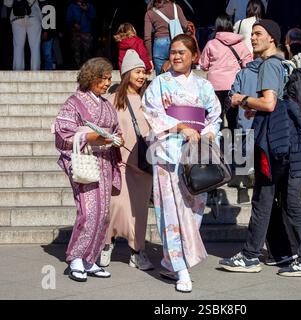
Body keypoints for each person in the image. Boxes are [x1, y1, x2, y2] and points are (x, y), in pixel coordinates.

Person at [219, 19, 301, 278]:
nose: (252, 38)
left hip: (274, 144)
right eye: (252, 34)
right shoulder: (283, 65)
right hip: (290, 142)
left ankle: (251, 255)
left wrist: (241, 99)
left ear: (272, 39)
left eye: (258, 34)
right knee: (288, 201)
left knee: (264, 199)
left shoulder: (269, 65)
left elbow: (268, 103)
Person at [142, 34, 221, 292]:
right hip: (168, 152)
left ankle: (173, 259)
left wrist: (209, 131)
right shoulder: (160, 83)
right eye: (173, 52)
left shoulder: (204, 86)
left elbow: (215, 114)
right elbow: (150, 112)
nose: (176, 56)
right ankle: (181, 269)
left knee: (194, 208)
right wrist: (179, 125)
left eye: (182, 52)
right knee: (170, 212)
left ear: (194, 56)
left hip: (196, 154)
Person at [54, 57, 124, 282]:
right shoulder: (74, 102)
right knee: (89, 211)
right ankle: (75, 257)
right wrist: (90, 136)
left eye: (109, 79)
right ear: (90, 78)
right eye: (103, 78)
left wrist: (117, 139)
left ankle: (89, 259)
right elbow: (63, 132)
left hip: (104, 162)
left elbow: (116, 129)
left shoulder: (106, 105)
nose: (106, 83)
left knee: (103, 214)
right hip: (85, 159)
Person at [99, 50, 154, 271]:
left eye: (143, 72)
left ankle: (137, 251)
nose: (141, 76)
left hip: (144, 163)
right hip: (119, 162)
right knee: (116, 207)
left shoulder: (150, 97)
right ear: (126, 74)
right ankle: (106, 244)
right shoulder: (113, 99)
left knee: (138, 211)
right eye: (137, 71)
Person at [200, 14, 252, 133]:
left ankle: (215, 144)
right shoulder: (240, 43)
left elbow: (203, 65)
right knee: (233, 117)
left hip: (214, 86)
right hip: (233, 86)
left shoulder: (211, 44)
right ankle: (234, 146)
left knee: (215, 115)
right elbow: (248, 64)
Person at [144, 0, 188, 75]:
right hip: (176, 42)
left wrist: (150, 59)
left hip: (159, 44)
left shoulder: (150, 12)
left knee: (161, 76)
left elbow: (147, 38)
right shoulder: (176, 7)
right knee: (178, 74)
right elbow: (185, 26)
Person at [4, 0, 46, 70]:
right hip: (33, 15)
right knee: (35, 47)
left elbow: (7, 3)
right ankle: (35, 75)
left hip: (17, 17)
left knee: (18, 47)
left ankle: (18, 75)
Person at [66, 0, 96, 68]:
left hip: (86, 33)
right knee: (76, 52)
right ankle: (77, 67)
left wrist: (87, 10)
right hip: (75, 33)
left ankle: (86, 68)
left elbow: (94, 17)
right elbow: (68, 20)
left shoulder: (89, 5)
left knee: (87, 52)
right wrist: (74, 24)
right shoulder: (71, 6)